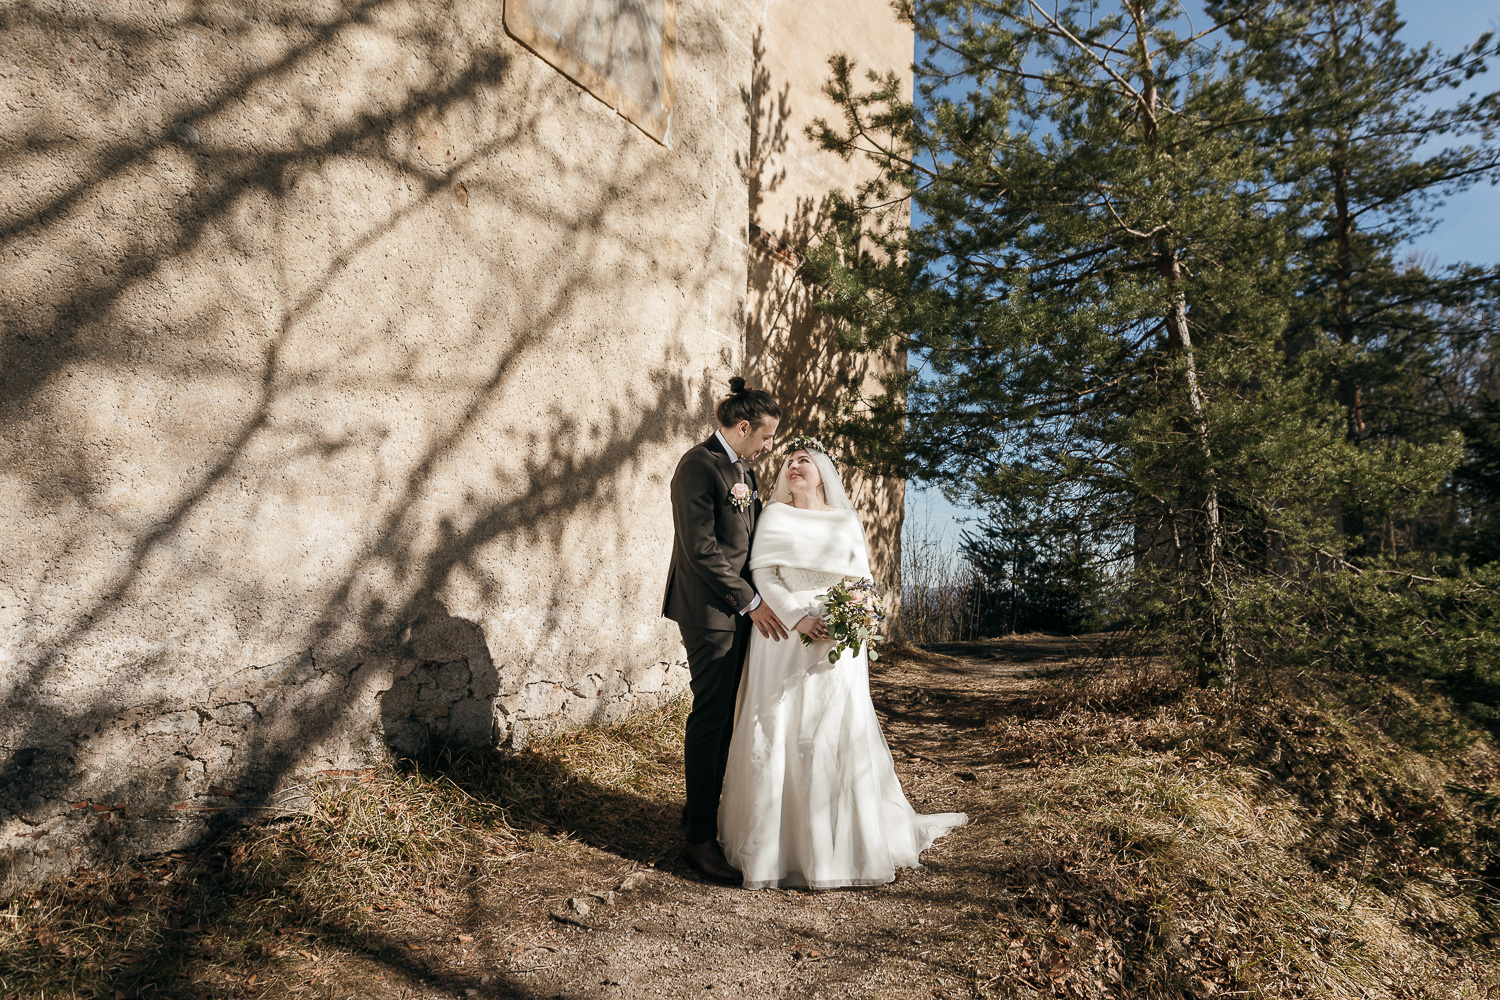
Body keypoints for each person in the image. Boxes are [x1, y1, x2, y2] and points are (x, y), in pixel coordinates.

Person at [718, 439, 968, 889]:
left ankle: (835, 849)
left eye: (804, 462)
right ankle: (776, 850)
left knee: (828, 732)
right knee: (778, 730)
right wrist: (798, 617)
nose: (794, 467)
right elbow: (762, 573)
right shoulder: (775, 515)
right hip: (784, 636)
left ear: (822, 473)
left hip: (837, 643)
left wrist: (852, 617)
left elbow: (861, 581)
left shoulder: (846, 521)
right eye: (789, 462)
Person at [662, 377, 788, 884]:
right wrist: (752, 602)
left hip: (738, 610)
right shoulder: (699, 466)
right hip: (710, 611)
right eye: (767, 436)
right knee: (711, 717)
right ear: (742, 427)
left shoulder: (744, 471)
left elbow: (748, 540)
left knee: (727, 717)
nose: (770, 445)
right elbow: (701, 549)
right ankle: (698, 842)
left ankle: (702, 813)